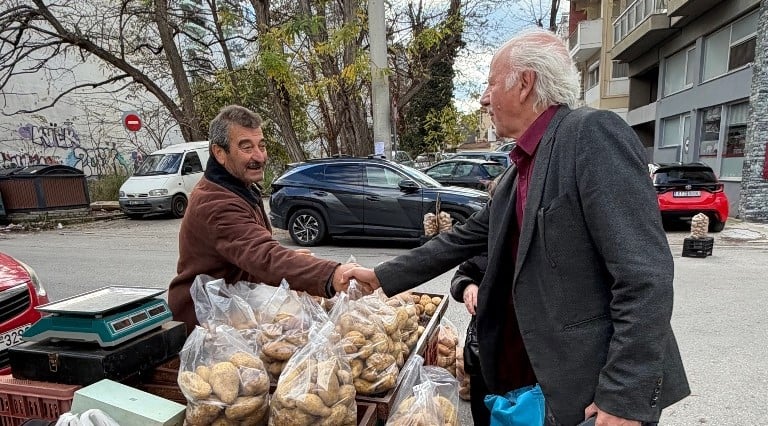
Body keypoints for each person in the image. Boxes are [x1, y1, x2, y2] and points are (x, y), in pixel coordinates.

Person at [344, 29, 689, 425]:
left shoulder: (590, 134)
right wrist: (378, 276)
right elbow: (461, 239)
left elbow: (645, 276)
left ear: (524, 84)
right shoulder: (517, 172)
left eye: (491, 83)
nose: (484, 98)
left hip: (598, 394)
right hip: (541, 385)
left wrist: (625, 394)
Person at [168, 105, 360, 333]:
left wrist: (289, 261)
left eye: (262, 145)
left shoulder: (239, 187)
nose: (259, 156)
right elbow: (264, 256)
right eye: (246, 147)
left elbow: (247, 253)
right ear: (220, 153)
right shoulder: (216, 203)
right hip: (206, 321)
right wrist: (331, 275)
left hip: (234, 310)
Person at [451, 176, 501, 426]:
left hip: (522, 353)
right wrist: (467, 285)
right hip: (483, 347)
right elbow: (460, 275)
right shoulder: (484, 241)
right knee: (483, 412)